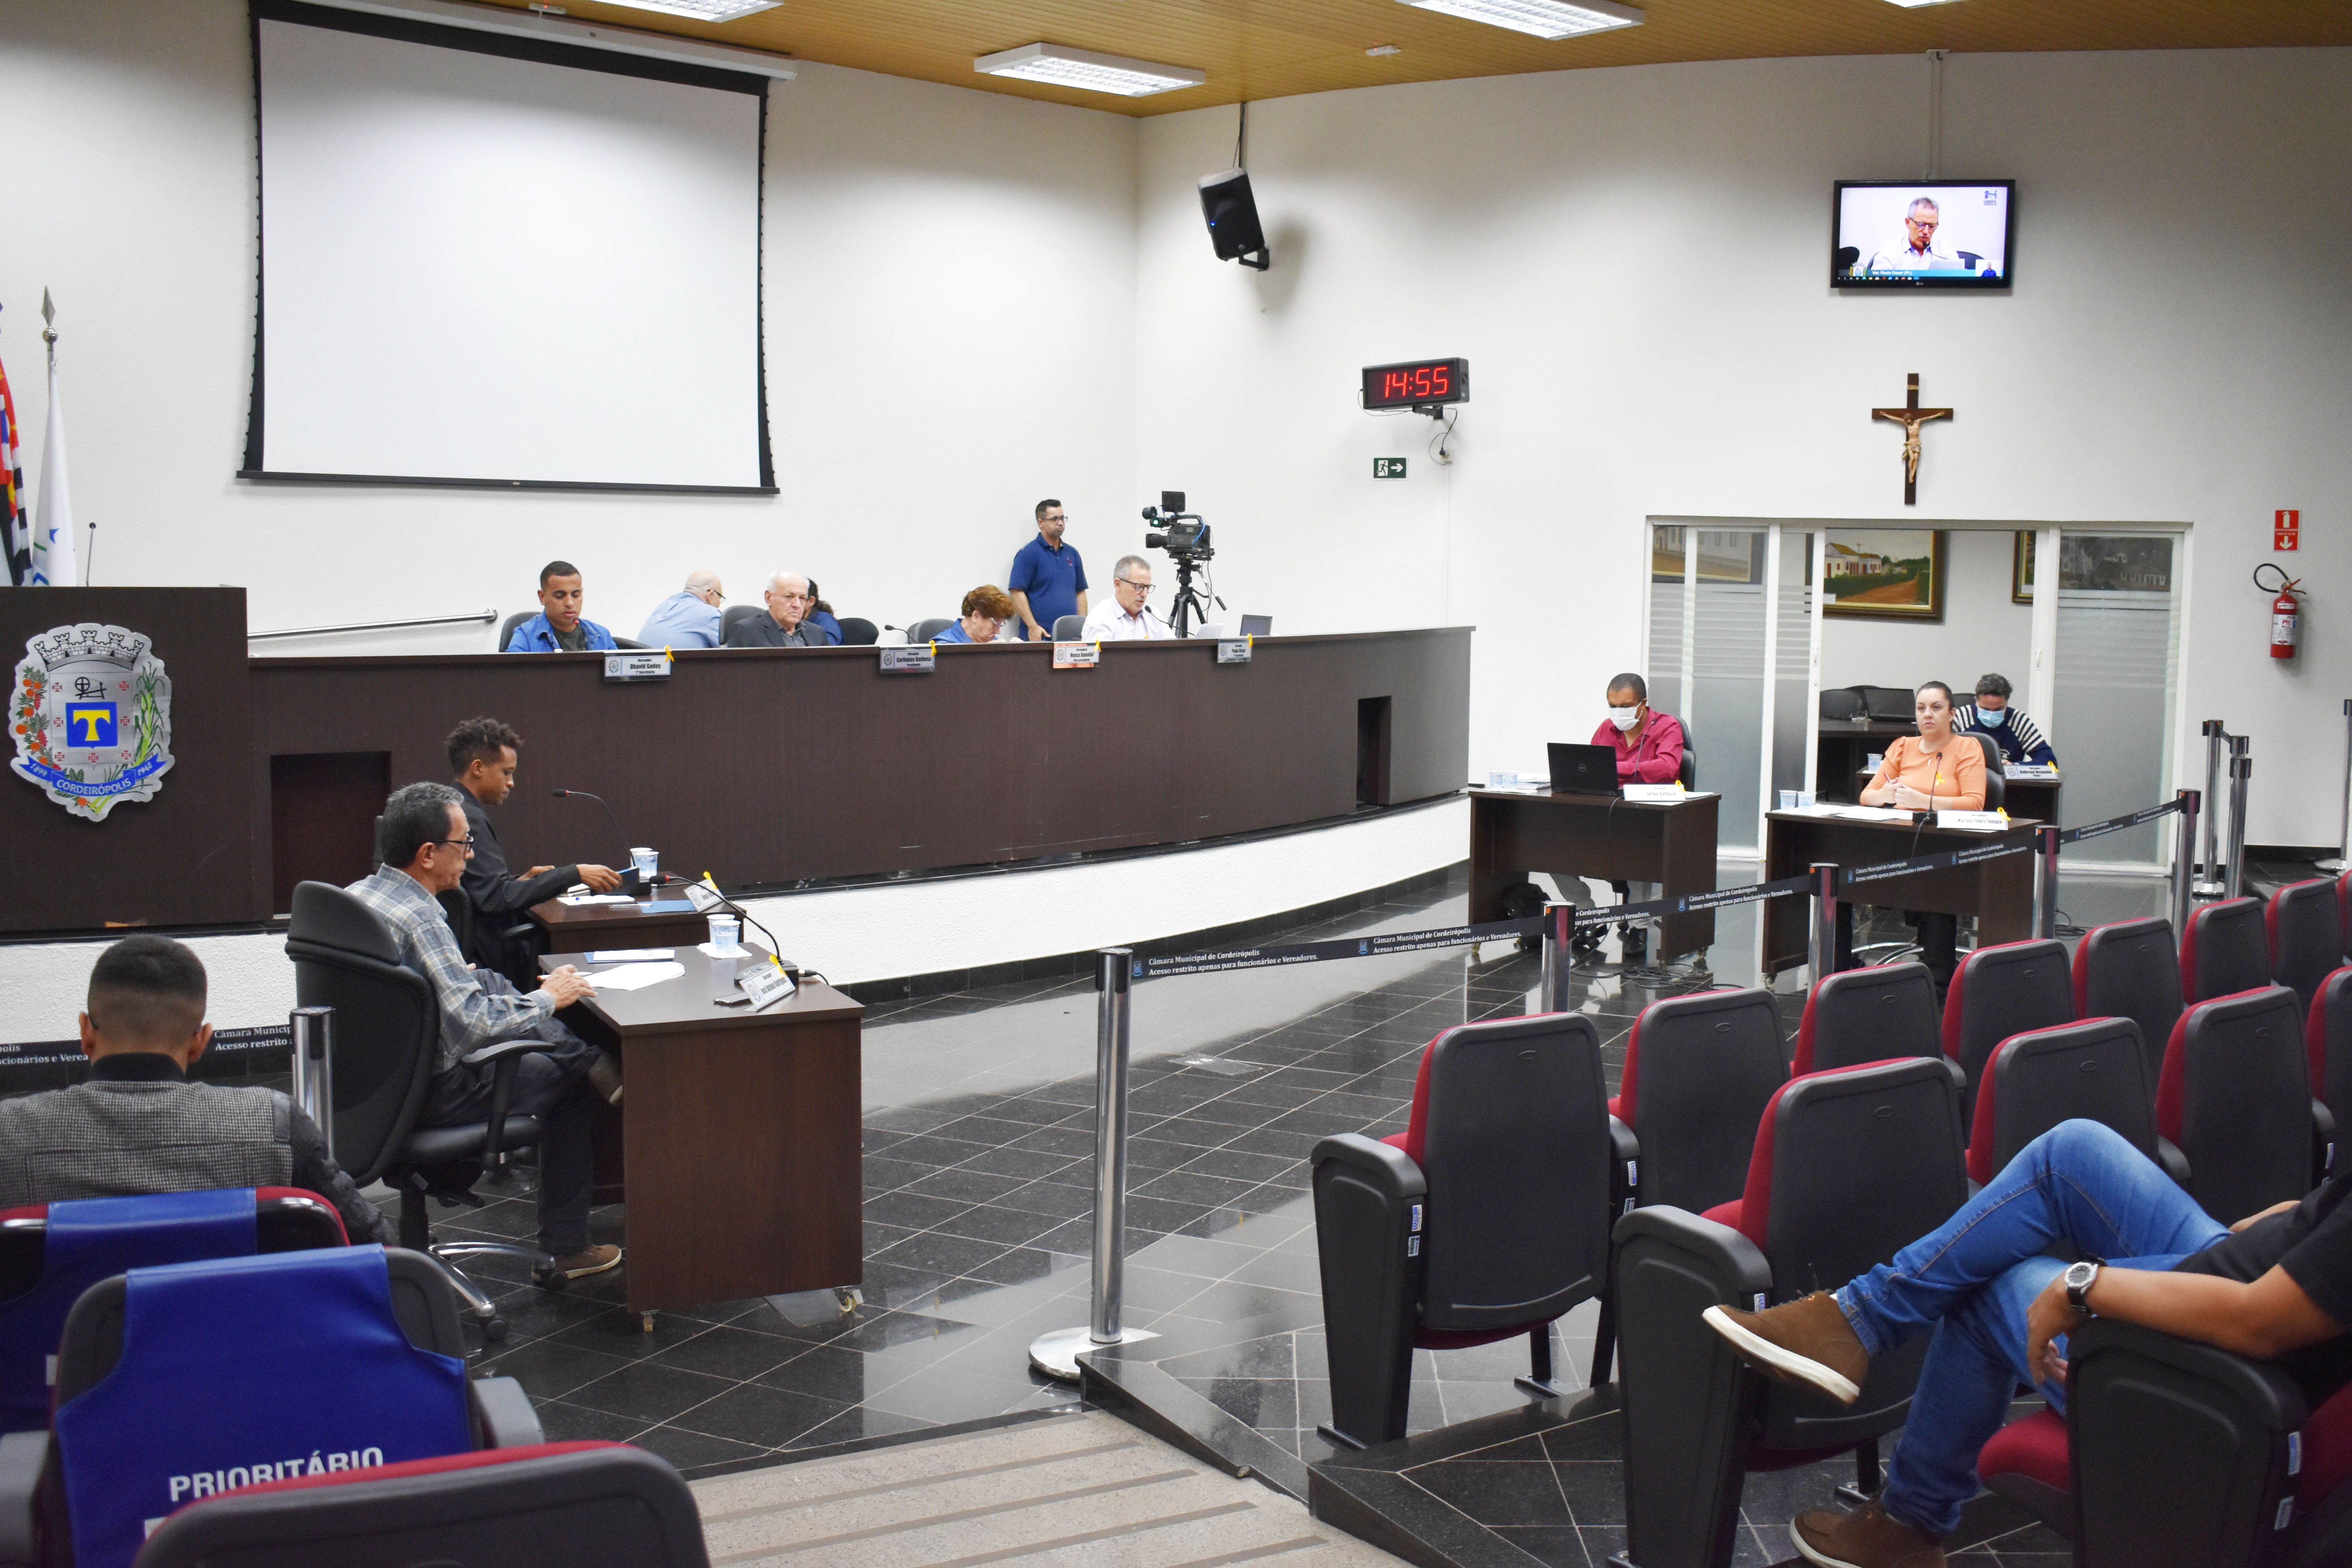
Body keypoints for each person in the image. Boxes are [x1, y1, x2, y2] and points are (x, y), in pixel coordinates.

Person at [1703, 1119, 2351, 1568]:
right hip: (2260, 1263)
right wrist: (2303, 1217)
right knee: (2073, 1152)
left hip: (2211, 1372)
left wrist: (2084, 1287)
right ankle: (1854, 1321)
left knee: (1987, 1291)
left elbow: (2260, 1323)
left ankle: (1907, 1522)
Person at [347, 782, 622, 1284]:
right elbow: (473, 1026)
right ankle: (568, 1247)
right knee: (569, 1085)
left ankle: (587, 1057)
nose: (471, 856)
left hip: (371, 1085)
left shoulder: (358, 895)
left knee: (485, 978)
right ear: (428, 854)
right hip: (434, 1090)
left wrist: (459, 978)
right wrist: (549, 998)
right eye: (464, 845)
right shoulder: (423, 917)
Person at [0, 935, 393, 1245]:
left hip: (60, 1348)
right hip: (238, 1342)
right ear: (200, 1041)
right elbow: (377, 1242)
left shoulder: (10, 1134)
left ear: (86, 1032)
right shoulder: (274, 1124)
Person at [447, 717, 621, 985]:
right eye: (506, 772)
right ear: (478, 768)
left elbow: (477, 889)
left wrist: (520, 882)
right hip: (487, 962)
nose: (512, 782)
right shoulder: (468, 819)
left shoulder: (449, 805)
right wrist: (573, 874)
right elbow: (495, 899)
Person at [1858, 681, 1987, 991]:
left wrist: (1924, 801)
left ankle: (1939, 979)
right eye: (1921, 708)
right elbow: (1867, 797)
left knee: (1936, 882)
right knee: (1846, 871)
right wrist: (1886, 793)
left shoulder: (1967, 748)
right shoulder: (1903, 746)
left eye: (1936, 708)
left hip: (1946, 846)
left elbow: (1975, 803)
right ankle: (1841, 969)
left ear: (1952, 713)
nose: (1927, 715)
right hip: (1899, 840)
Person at [1007, 498, 1088, 642]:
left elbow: (1080, 591)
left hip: (1071, 639)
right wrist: (1033, 627)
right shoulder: (1029, 553)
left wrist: (1082, 626)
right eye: (1055, 519)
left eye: (1063, 518)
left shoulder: (1072, 554)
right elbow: (1017, 592)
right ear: (1041, 523)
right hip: (1041, 638)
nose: (1060, 523)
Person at [1590, 672, 1685, 784]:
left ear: (1643, 703)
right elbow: (1591, 767)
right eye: (1613, 706)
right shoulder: (1606, 728)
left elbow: (1668, 769)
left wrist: (1616, 768)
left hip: (1651, 799)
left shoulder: (1668, 726)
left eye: (1625, 706)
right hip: (1610, 799)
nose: (1619, 711)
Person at [505, 560, 617, 653]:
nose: (570, 603)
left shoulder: (601, 635)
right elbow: (512, 677)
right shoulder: (526, 636)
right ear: (542, 597)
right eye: (560, 596)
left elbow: (621, 677)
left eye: (576, 595)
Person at [1953, 673, 2056, 768]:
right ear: (1976, 701)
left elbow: (2049, 761)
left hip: (2009, 785)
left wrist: (2015, 767)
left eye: (1998, 710)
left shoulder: (2019, 721)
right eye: (1986, 709)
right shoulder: (1961, 717)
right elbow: (1940, 753)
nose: (1991, 714)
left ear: (2007, 703)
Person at [1081, 555, 1170, 641]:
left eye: (1148, 588)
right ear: (1118, 584)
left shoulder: (1154, 615)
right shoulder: (1100, 617)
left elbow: (1174, 652)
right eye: (1139, 587)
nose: (1145, 594)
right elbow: (1104, 656)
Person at [1863, 196, 1957, 276]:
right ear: (1908, 223)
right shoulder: (1889, 253)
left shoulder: (1947, 252)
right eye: (1920, 224)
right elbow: (1878, 290)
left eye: (1932, 226)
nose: (1926, 231)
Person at [723, 572, 821, 648]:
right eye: (789, 597)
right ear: (769, 598)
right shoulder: (746, 631)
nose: (797, 605)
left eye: (802, 599)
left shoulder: (817, 633)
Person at [636, 569, 725, 649]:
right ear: (711, 594)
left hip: (643, 665)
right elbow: (734, 655)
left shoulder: (664, 606)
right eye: (720, 597)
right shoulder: (709, 614)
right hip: (678, 667)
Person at [934, 584, 1016, 644]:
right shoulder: (944, 646)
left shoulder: (992, 641)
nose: (998, 632)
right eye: (995, 624)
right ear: (977, 616)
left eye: (1000, 625)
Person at [804, 579, 844, 646]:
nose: (794, 603)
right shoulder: (790, 623)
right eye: (788, 598)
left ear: (811, 601)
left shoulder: (826, 621)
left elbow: (827, 651)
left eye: (801, 598)